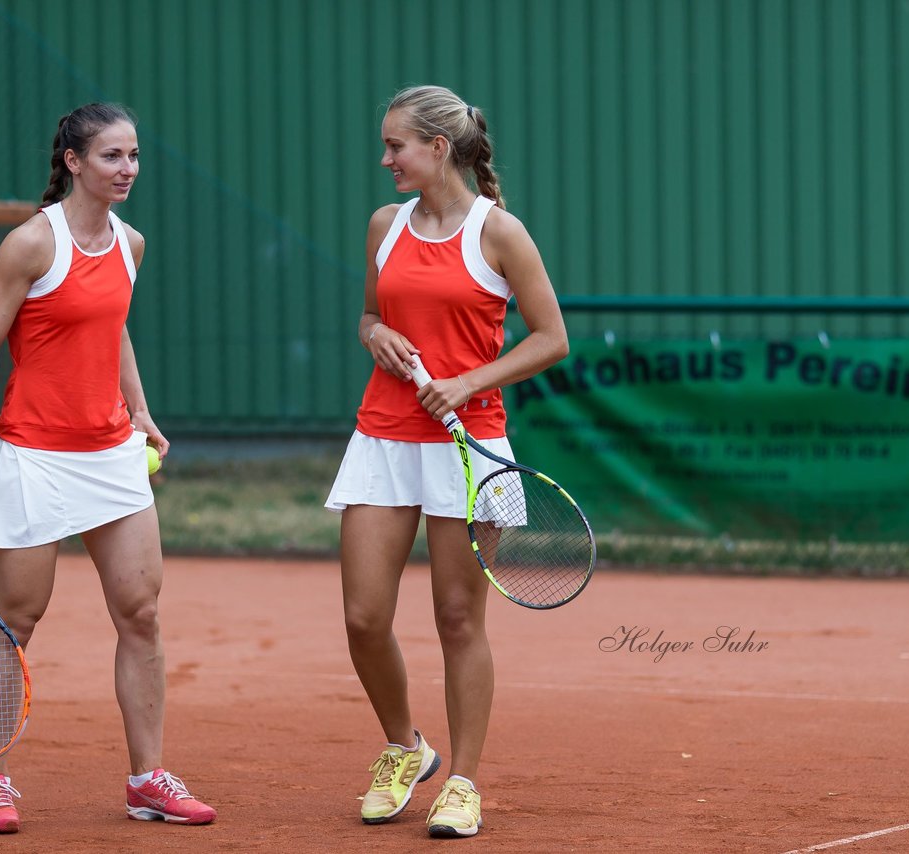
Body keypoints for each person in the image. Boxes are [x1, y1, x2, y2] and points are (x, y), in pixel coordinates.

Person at [0, 102, 215, 834]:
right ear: (73, 162)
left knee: (142, 613)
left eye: (132, 157)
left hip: (112, 457)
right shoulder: (30, 245)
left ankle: (147, 779)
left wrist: (142, 410)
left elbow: (113, 325)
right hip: (34, 456)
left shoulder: (131, 243)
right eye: (111, 157)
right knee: (19, 621)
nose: (127, 169)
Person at [325, 85, 569, 839]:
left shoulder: (501, 234)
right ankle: (406, 748)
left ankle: (462, 781)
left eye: (396, 145)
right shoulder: (383, 226)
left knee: (459, 618)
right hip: (383, 439)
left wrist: (469, 381)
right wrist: (375, 337)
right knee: (365, 617)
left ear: (438, 147)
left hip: (470, 448)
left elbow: (551, 337)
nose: (385, 158)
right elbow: (370, 314)